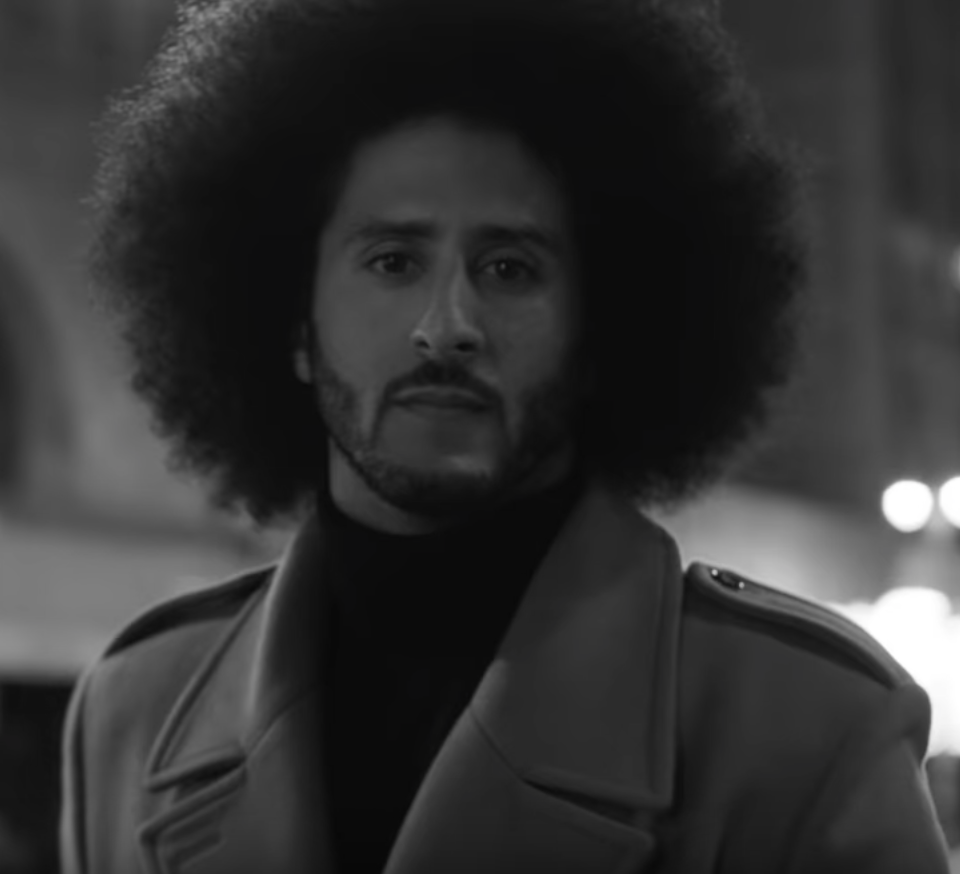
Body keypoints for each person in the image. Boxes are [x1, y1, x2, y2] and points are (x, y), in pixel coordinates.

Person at [59, 0, 951, 871]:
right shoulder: (132, 712)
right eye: (394, 261)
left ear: (599, 334)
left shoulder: (808, 727)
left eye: (509, 268)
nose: (447, 325)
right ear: (294, 325)